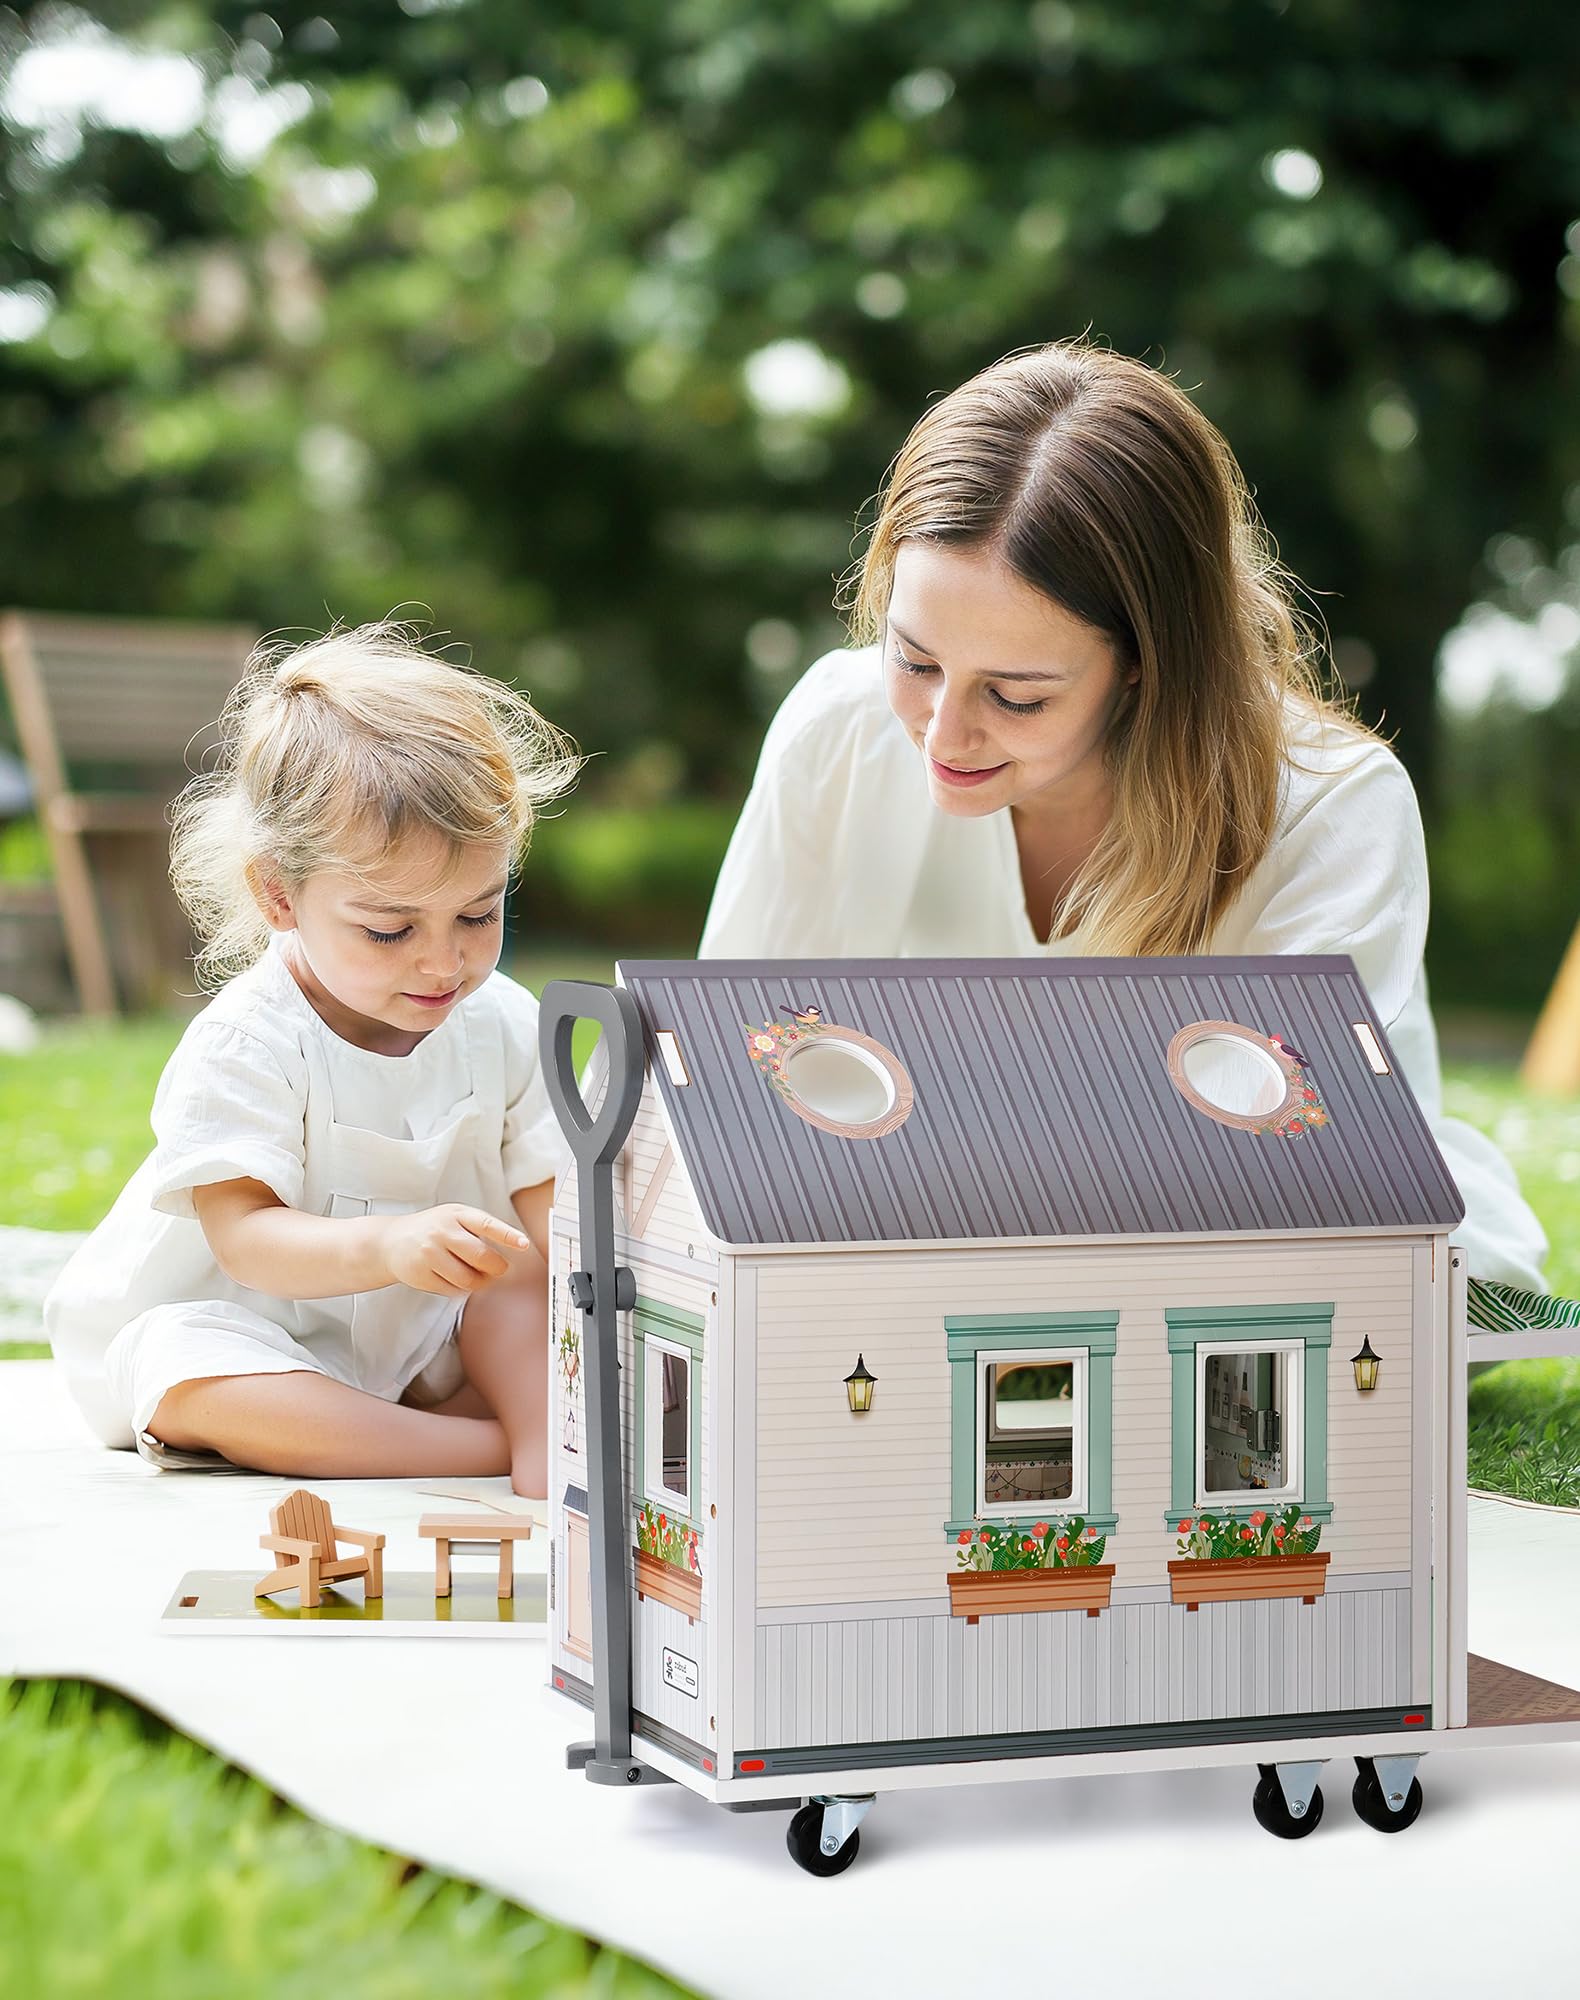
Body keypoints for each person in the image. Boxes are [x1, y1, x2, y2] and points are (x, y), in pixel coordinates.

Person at [701, 337, 1556, 1320]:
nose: (942, 733)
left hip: (1258, 1250)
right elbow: (720, 1072)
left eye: (1016, 695)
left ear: (1148, 661)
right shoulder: (838, 724)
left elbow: (1274, 1184)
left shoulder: (1333, 805)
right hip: (896, 1231)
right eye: (913, 657)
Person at [45, 622, 579, 1495]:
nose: (443, 963)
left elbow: (552, 1207)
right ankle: (479, 1447)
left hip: (421, 1335)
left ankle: (537, 1429)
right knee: (190, 1376)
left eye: (478, 915)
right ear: (278, 894)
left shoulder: (502, 1023)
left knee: (525, 1273)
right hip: (250, 1330)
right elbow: (247, 1239)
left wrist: (583, 1285)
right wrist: (388, 1244)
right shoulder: (249, 1040)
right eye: (389, 929)